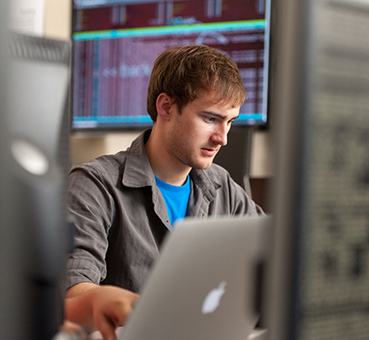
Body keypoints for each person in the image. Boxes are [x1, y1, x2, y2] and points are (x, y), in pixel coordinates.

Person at [64, 44, 264, 340]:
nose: (223, 138)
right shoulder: (94, 184)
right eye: (210, 118)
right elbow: (73, 291)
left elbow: (276, 257)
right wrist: (100, 300)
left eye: (230, 122)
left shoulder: (222, 187)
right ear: (166, 107)